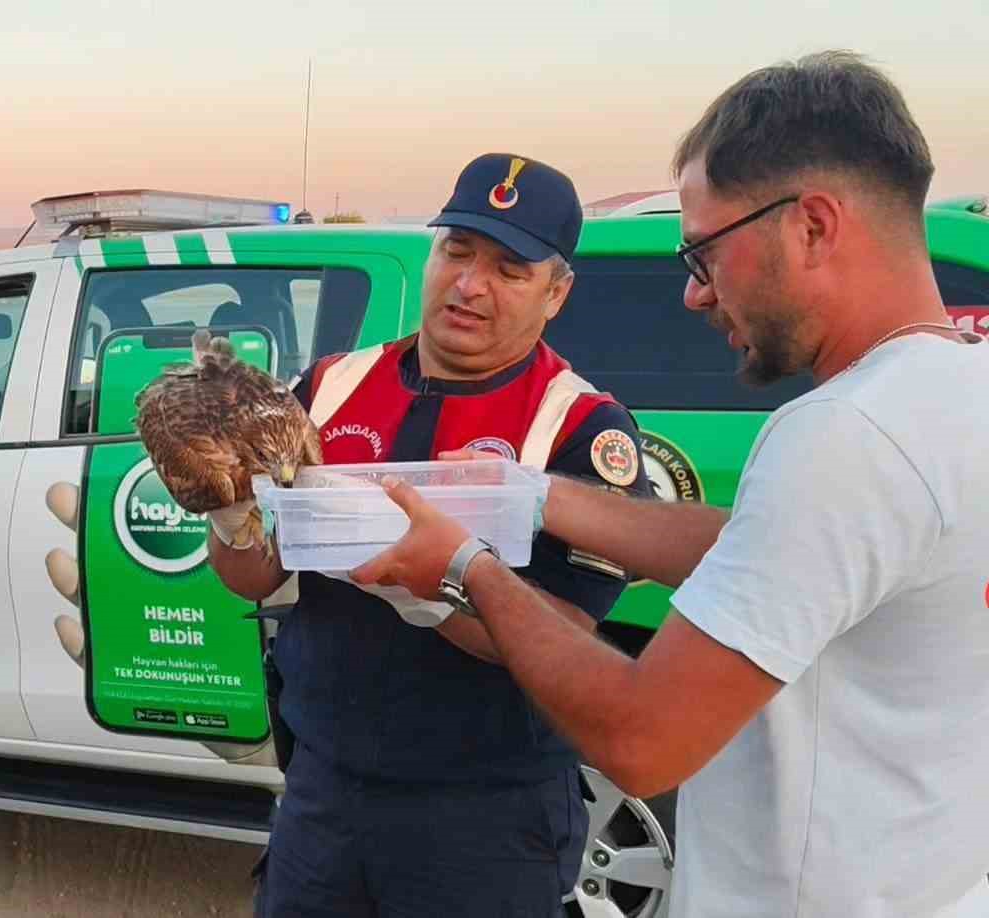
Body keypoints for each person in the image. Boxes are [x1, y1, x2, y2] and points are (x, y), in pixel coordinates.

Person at [351, 52, 989, 918]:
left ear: (812, 226)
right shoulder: (958, 394)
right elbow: (771, 549)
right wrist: (538, 495)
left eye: (702, 254)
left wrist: (465, 569)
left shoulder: (846, 435)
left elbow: (640, 741)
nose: (694, 296)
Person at [208, 152, 653, 916]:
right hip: (324, 794)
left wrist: (439, 591)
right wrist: (222, 507)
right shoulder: (325, 388)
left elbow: (569, 633)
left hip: (486, 819)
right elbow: (253, 574)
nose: (470, 285)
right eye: (457, 251)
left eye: (511, 269)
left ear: (557, 292)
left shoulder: (581, 427)